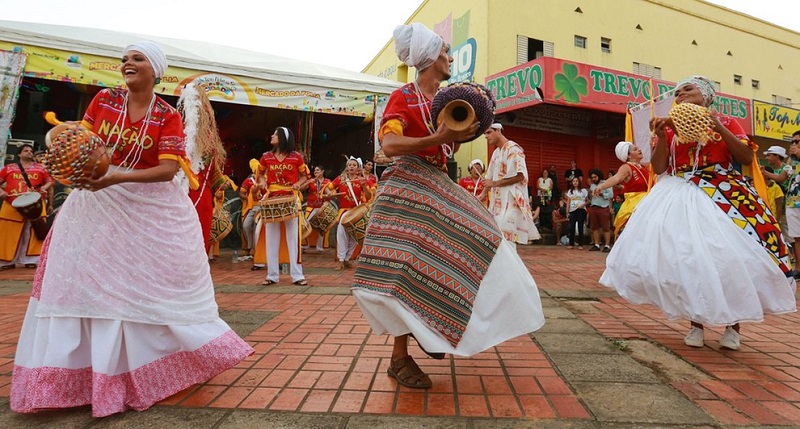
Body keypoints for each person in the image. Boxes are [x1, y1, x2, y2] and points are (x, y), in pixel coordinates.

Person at [10, 41, 253, 417]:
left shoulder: (165, 115)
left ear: (155, 70)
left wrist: (115, 177)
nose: (127, 64)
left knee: (136, 288)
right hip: (93, 205)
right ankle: (79, 378)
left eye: (137, 59)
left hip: (143, 208)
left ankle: (132, 374)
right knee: (82, 283)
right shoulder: (104, 100)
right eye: (124, 59)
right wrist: (65, 148)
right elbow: (83, 142)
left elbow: (169, 170)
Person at [351, 23, 544, 390]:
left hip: (436, 180)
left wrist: (465, 130)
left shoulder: (447, 97)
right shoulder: (403, 97)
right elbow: (389, 146)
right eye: (444, 52)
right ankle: (399, 357)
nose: (450, 57)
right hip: (408, 182)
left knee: (483, 235)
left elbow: (446, 148)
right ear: (428, 58)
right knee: (405, 271)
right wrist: (437, 136)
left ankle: (434, 325)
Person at [600, 75, 796, 351]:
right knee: (688, 258)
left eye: (687, 90)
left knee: (730, 257)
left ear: (705, 94)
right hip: (681, 191)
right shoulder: (669, 128)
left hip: (725, 190)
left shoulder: (728, 122)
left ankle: (733, 326)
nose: (680, 95)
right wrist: (658, 135)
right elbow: (658, 169)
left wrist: (714, 124)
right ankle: (696, 324)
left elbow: (746, 157)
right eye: (677, 92)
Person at [253, 126, 310, 285]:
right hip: (272, 199)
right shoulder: (266, 157)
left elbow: (304, 176)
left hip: (290, 199)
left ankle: (297, 276)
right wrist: (262, 182)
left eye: (275, 134)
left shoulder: (296, 157)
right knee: (271, 238)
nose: (271, 136)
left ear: (283, 138)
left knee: (293, 238)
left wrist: (298, 184)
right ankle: (272, 276)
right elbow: (261, 175)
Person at [179, 83, 227, 254]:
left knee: (196, 241)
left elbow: (208, 167)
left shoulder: (205, 136)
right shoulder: (182, 129)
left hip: (197, 192)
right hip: (184, 190)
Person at [479, 123, 540, 245]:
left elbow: (520, 175)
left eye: (489, 132)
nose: (486, 136)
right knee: (499, 237)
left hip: (512, 200)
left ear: (498, 131)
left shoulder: (514, 149)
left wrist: (495, 183)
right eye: (485, 133)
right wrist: (483, 194)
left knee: (507, 237)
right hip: (497, 203)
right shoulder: (496, 153)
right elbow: (489, 177)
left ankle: (510, 263)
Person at [0, 144, 54, 269]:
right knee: (9, 232)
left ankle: (31, 260)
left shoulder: (41, 168)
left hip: (35, 204)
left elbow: (50, 181)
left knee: (34, 232)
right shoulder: (9, 168)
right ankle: (6, 261)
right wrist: (2, 192)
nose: (29, 152)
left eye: (31, 151)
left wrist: (43, 189)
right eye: (26, 151)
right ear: (19, 154)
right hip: (11, 203)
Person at [322, 157, 373, 270]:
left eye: (354, 165)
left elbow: (369, 197)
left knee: (355, 238)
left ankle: (346, 259)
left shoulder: (362, 179)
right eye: (350, 165)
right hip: (343, 211)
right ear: (347, 167)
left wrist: (364, 185)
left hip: (356, 211)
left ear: (358, 168)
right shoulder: (340, 179)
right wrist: (329, 193)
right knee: (341, 234)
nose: (351, 167)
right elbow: (327, 187)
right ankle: (340, 260)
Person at [302, 165, 332, 253]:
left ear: (322, 171)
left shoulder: (327, 182)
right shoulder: (311, 181)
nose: (315, 172)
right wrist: (308, 182)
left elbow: (329, 192)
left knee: (322, 226)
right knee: (305, 225)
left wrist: (328, 194)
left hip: (322, 207)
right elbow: (301, 188)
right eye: (315, 170)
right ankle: (305, 244)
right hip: (311, 206)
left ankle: (319, 247)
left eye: (318, 170)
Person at [238, 159, 261, 260]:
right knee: (246, 225)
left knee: (257, 228)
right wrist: (248, 198)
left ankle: (255, 250)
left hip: (262, 207)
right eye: (257, 169)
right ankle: (250, 246)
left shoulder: (265, 180)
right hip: (251, 208)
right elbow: (241, 193)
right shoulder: (248, 181)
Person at [586, 169, 613, 252]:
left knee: (606, 227)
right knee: (594, 227)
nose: (593, 179)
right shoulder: (592, 185)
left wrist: (601, 193)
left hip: (603, 207)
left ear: (599, 176)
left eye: (595, 177)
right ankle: (596, 244)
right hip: (593, 207)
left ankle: (607, 245)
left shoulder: (606, 183)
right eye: (592, 177)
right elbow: (590, 196)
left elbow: (611, 195)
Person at [565, 177, 588, 249]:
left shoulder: (583, 191)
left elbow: (588, 201)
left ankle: (580, 244)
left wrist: (583, 205)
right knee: (572, 227)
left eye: (576, 181)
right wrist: (567, 211)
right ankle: (571, 244)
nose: (575, 182)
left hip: (581, 210)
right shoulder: (570, 191)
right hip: (572, 210)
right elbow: (568, 202)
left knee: (580, 226)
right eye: (574, 181)